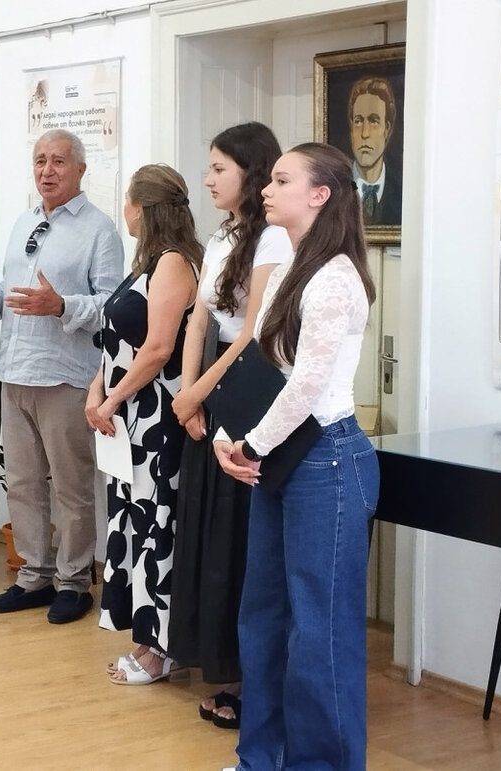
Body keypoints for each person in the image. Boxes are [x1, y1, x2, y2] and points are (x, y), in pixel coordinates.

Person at [215, 142, 379, 771]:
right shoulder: (288, 267)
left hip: (326, 463)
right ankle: (260, 759)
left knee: (319, 632)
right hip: (280, 460)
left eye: (282, 180)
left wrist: (252, 444)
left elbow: (307, 386)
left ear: (319, 195)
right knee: (262, 619)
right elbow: (262, 365)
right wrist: (230, 433)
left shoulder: (336, 277)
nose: (267, 188)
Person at [0, 129, 123, 624]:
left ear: (80, 169)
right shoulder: (25, 221)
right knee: (23, 483)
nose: (47, 170)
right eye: (40, 160)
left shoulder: (100, 230)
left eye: (58, 161)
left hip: (65, 377)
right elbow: (13, 296)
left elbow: (113, 308)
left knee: (71, 488)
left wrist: (61, 306)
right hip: (15, 372)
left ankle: (74, 582)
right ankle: (33, 576)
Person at [167, 123, 292, 726]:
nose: (209, 178)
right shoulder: (222, 234)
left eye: (220, 168)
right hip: (210, 391)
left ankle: (249, 678)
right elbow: (199, 320)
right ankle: (218, 660)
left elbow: (251, 334)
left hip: (248, 390)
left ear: (252, 170)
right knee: (208, 531)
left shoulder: (274, 238)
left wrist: (197, 394)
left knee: (242, 540)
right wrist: (187, 393)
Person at [84, 164, 201, 684]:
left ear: (142, 208)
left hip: (156, 420)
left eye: (128, 202)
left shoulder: (174, 263)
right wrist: (97, 390)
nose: (124, 211)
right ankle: (146, 637)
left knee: (158, 530)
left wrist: (111, 400)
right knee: (134, 524)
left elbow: (157, 349)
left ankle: (162, 649)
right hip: (127, 419)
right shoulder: (147, 265)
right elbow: (117, 344)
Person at [348, 76, 401, 226]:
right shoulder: (334, 189)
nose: (365, 133)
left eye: (374, 121)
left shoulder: (402, 191)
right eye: (358, 121)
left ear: (387, 129)